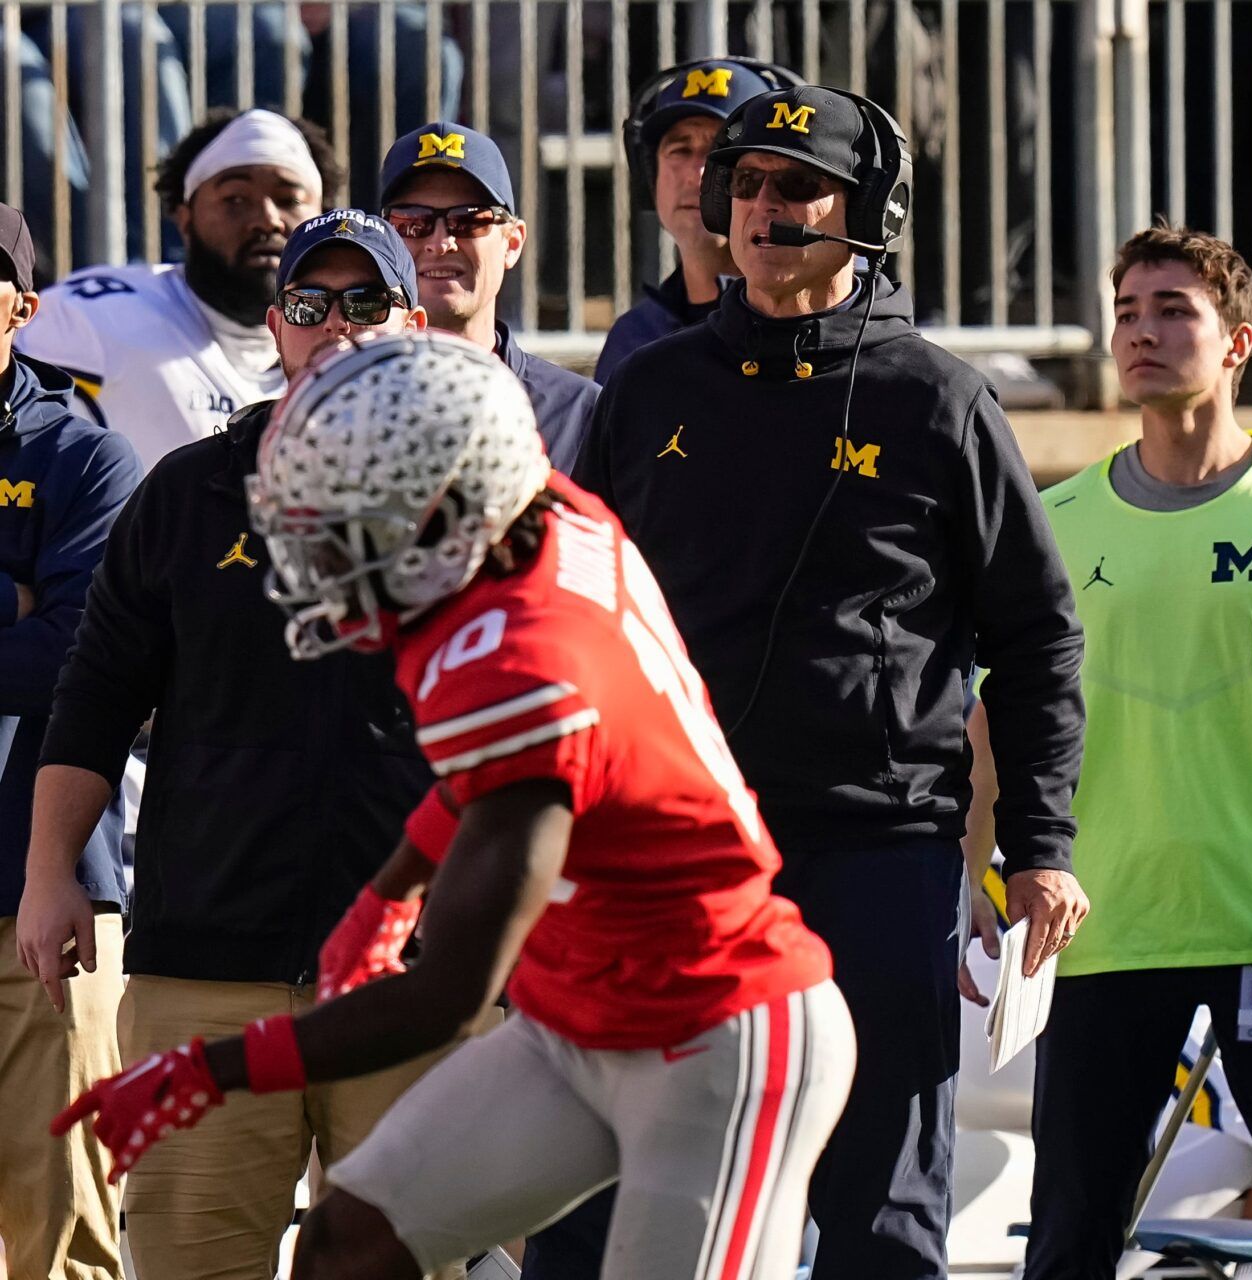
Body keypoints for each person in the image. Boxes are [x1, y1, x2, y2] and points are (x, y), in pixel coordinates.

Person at [54, 330, 856, 1280]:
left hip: (713, 1033)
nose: (321, 553)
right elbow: (501, 775)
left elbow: (444, 994)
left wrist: (213, 1067)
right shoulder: (553, 519)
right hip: (576, 1020)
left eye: (354, 519)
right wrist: (387, 897)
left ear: (451, 511)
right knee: (350, 1246)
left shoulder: (525, 663)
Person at [578, 84, 1089, 1280]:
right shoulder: (648, 394)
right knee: (633, 1184)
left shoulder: (940, 400)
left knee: (882, 1204)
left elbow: (1036, 634)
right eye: (745, 184)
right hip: (679, 849)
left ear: (868, 214)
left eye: (798, 186)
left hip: (879, 854)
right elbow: (583, 616)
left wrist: (1041, 840)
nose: (763, 208)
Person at [15, 209, 442, 1280]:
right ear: (274, 327)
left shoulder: (468, 498)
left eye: (363, 302)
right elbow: (93, 700)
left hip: (401, 972)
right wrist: (48, 872)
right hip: (206, 966)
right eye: (309, 304)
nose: (334, 325)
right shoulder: (188, 493)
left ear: (414, 321)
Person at [1018, 223, 1252, 1280]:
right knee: (1068, 1241)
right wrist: (987, 869)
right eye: (1127, 311)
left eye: (1174, 310)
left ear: (1238, 340)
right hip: (1105, 930)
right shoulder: (1054, 521)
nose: (1142, 332)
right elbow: (995, 713)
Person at [0, 201, 140, 1280]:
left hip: (39, 908)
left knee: (68, 1250)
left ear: (21, 308)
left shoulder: (87, 459)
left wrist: (36, 621)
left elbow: (75, 659)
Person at [18, 109, 335, 470]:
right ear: (185, 218)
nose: (267, 219)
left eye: (290, 200)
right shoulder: (96, 316)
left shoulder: (353, 334)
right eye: (235, 199)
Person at [376, 122, 597, 474]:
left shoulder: (579, 412)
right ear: (384, 242)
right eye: (412, 222)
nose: (440, 242)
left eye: (468, 221)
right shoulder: (353, 406)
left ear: (512, 243)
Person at [596, 56, 800, 384]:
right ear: (650, 176)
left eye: (719, 153)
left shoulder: (825, 327)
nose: (698, 175)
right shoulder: (633, 340)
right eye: (680, 150)